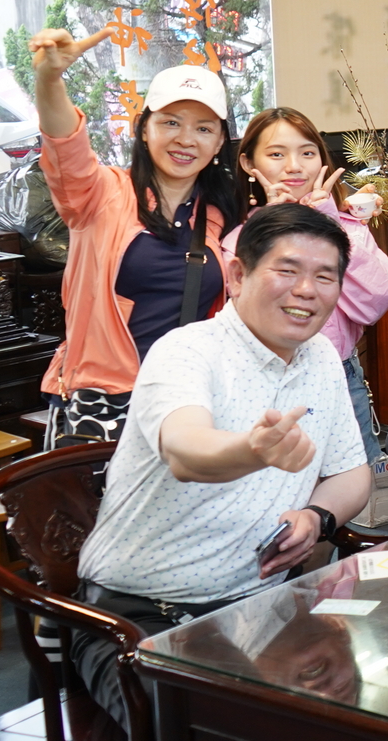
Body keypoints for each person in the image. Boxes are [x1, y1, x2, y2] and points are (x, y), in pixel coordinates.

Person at [69, 204, 371, 730]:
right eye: (287, 270)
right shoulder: (186, 351)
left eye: (325, 277)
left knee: (361, 705)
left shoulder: (322, 356)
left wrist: (317, 517)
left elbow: (351, 473)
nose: (306, 290)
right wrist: (253, 452)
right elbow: (186, 450)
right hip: (143, 613)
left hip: (263, 605)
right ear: (237, 275)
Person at [31, 25, 248, 447]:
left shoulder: (219, 214)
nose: (186, 139)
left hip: (186, 402)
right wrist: (50, 79)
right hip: (104, 399)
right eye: (170, 122)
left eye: (204, 129)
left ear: (220, 141)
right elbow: (64, 143)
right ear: (143, 128)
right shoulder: (99, 194)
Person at [225, 108, 388, 464]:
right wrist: (273, 228)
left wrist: (329, 223)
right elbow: (246, 319)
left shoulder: (348, 227)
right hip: (263, 385)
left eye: (307, 152)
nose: (294, 166)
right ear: (248, 163)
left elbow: (374, 303)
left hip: (341, 379)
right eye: (276, 154)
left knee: (352, 483)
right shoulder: (236, 238)